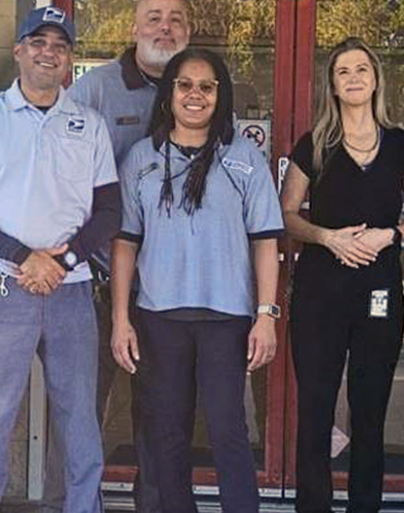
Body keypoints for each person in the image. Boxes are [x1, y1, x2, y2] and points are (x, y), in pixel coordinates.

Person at [0, 6, 119, 513]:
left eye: (60, 45)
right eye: (38, 41)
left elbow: (110, 211)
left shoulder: (90, 124)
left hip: (73, 289)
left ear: (69, 60)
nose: (48, 52)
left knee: (79, 417)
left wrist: (62, 261)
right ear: (18, 50)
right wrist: (22, 256)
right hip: (4, 287)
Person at [110, 47, 282, 513]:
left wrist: (266, 316)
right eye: (184, 85)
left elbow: (266, 240)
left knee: (229, 431)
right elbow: (125, 242)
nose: (195, 95)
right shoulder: (140, 159)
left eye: (207, 86)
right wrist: (120, 319)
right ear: (168, 94)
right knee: (167, 435)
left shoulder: (245, 158)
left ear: (219, 96)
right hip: (159, 317)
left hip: (227, 318)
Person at [281, 37, 404, 513]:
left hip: (379, 293)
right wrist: (328, 238)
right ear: (332, 83)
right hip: (320, 293)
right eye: (343, 71)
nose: (353, 78)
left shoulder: (402, 145)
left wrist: (390, 235)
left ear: (375, 78)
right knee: (316, 412)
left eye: (361, 69)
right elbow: (286, 214)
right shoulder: (316, 144)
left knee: (370, 414)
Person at [63, 0, 191, 511]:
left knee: (162, 418)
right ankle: (79, 504)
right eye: (154, 19)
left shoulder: (201, 89)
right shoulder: (95, 90)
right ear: (134, 29)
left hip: (170, 289)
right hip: (96, 285)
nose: (166, 28)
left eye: (176, 20)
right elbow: (62, 180)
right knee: (84, 410)